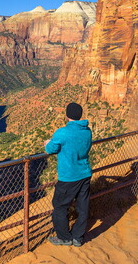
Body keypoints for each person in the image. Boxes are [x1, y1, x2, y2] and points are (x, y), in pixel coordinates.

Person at [43, 102, 92, 247]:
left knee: (59, 206)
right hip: (85, 173)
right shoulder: (87, 130)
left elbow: (51, 149)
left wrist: (47, 143)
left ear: (66, 115)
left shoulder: (62, 132)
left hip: (69, 176)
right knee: (83, 206)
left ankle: (64, 237)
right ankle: (77, 237)